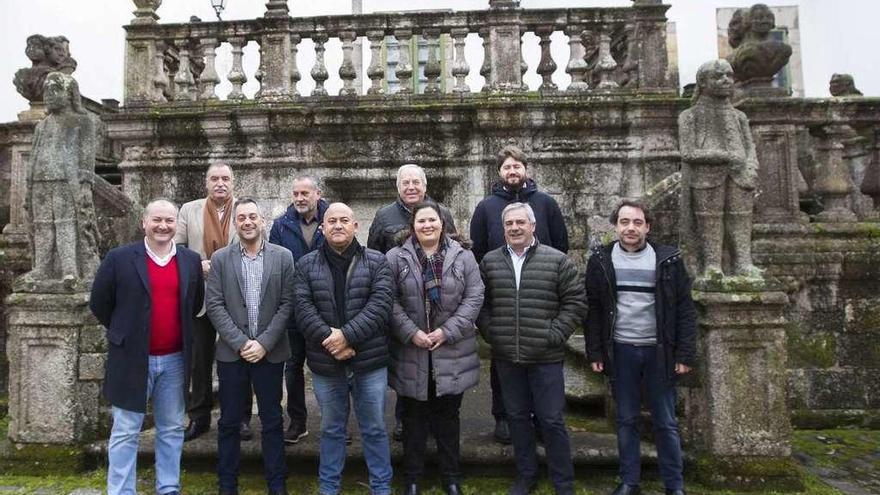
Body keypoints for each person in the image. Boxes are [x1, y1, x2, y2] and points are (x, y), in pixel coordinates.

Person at [90, 199, 204, 495]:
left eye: (169, 221)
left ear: (176, 224)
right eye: (157, 220)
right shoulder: (120, 258)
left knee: (171, 429)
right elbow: (100, 303)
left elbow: (194, 305)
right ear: (144, 222)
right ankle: (121, 490)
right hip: (131, 359)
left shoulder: (190, 260)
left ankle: (168, 487)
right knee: (126, 430)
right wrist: (126, 334)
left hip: (175, 360)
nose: (163, 226)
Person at [585, 200, 696, 495]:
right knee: (626, 419)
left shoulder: (668, 260)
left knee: (666, 421)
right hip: (621, 350)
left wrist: (684, 353)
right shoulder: (601, 260)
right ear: (616, 226)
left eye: (636, 222)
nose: (630, 228)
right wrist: (595, 352)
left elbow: (685, 309)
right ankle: (629, 481)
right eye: (624, 222)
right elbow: (594, 310)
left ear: (647, 226)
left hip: (659, 351)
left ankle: (674, 485)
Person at [478, 203, 585, 495]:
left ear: (532, 226)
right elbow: (481, 305)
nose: (514, 228)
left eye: (520, 223)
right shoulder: (489, 261)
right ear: (504, 228)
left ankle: (563, 482)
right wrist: (493, 334)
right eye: (509, 223)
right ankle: (526, 475)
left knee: (551, 419)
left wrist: (555, 335)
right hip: (507, 356)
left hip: (545, 357)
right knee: (517, 418)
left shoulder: (557, 260)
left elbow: (575, 303)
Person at [469, 144, 569, 444]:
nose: (512, 171)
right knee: (503, 363)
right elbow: (477, 251)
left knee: (542, 366)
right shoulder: (486, 207)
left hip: (541, 294)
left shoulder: (546, 203)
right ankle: (504, 418)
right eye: (506, 167)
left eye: (517, 166)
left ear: (526, 168)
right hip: (501, 293)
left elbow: (561, 244)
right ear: (498, 172)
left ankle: (542, 418)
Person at [295, 202, 394, 495]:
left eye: (344, 220)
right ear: (322, 228)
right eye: (332, 221)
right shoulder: (306, 265)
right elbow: (303, 309)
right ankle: (329, 487)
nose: (338, 225)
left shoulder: (377, 262)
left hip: (369, 363)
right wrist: (332, 342)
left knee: (374, 428)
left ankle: (381, 487)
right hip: (327, 365)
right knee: (331, 430)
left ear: (355, 226)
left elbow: (381, 306)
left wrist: (347, 337)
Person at [386, 201, 484, 495]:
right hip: (411, 350)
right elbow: (388, 300)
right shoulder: (395, 257)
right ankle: (412, 479)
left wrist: (447, 331)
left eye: (432, 220)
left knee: (448, 420)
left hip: (452, 350)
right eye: (421, 221)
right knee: (413, 420)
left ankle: (451, 477)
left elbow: (475, 296)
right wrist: (411, 332)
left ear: (443, 223)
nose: (427, 225)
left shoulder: (463, 257)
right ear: (412, 226)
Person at [206, 198, 295, 495]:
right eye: (241, 217)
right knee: (229, 421)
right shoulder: (220, 259)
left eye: (252, 216)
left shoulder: (283, 257)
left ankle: (277, 483)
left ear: (262, 221)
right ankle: (227, 484)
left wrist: (264, 343)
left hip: (270, 354)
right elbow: (215, 305)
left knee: (271, 419)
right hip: (233, 354)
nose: (247, 221)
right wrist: (242, 342)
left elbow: (287, 304)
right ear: (235, 223)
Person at [368, 163, 457, 440]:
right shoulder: (384, 216)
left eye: (416, 182)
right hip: (402, 305)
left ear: (425, 186)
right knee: (406, 368)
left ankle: (434, 420)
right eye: (405, 183)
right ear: (398, 187)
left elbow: (454, 250)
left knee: (434, 367)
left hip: (437, 304)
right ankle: (404, 420)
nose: (411, 187)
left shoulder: (442, 213)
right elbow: (373, 257)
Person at [175, 164, 254, 441]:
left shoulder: (245, 210)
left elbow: (253, 243)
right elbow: (178, 250)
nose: (220, 183)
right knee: (199, 359)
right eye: (214, 179)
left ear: (233, 183)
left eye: (225, 179)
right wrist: (199, 266)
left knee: (239, 356)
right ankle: (199, 417)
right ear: (206, 183)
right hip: (200, 296)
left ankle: (242, 417)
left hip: (237, 295)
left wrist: (222, 266)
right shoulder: (189, 210)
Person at [678, 59, 761, 279]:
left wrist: (752, 166)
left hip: (741, 176)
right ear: (703, 83)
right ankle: (713, 265)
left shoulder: (739, 117)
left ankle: (743, 263)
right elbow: (688, 152)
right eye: (718, 76)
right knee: (709, 221)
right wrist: (723, 156)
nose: (726, 80)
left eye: (729, 75)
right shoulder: (690, 116)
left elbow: (750, 146)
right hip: (706, 177)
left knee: (741, 219)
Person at [269, 175, 328, 445]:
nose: (300, 198)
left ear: (318, 194)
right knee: (292, 367)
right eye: (296, 193)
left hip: (326, 308)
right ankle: (297, 422)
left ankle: (334, 422)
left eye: (305, 193)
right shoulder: (281, 225)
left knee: (330, 367)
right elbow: (273, 265)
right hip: (293, 309)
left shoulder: (333, 218)